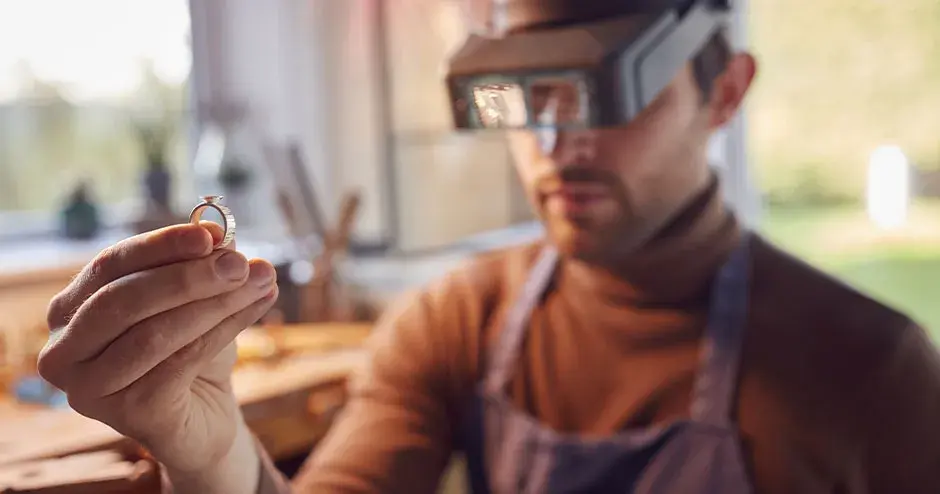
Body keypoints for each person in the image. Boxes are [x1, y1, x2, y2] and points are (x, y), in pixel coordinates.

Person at [36, 0, 940, 493]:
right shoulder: (462, 320)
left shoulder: (870, 368)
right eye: (525, 95)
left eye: (606, 93)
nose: (556, 144)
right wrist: (209, 451)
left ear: (726, 92)